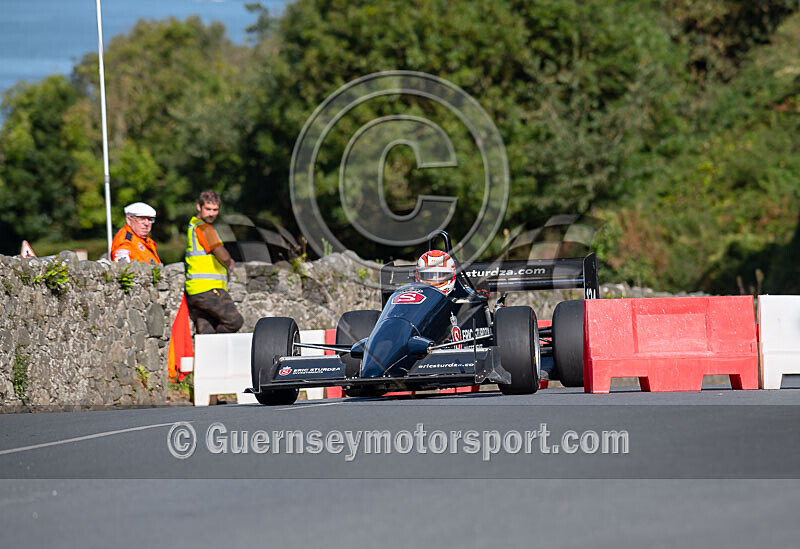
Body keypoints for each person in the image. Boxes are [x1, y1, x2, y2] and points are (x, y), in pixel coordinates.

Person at [184, 190, 243, 334]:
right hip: (208, 289)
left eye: (215, 210)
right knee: (234, 322)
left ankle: (209, 353)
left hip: (196, 290)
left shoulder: (193, 225)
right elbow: (223, 256)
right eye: (208, 209)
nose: (212, 213)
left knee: (206, 332)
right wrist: (229, 263)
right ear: (199, 207)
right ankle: (218, 346)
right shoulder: (204, 228)